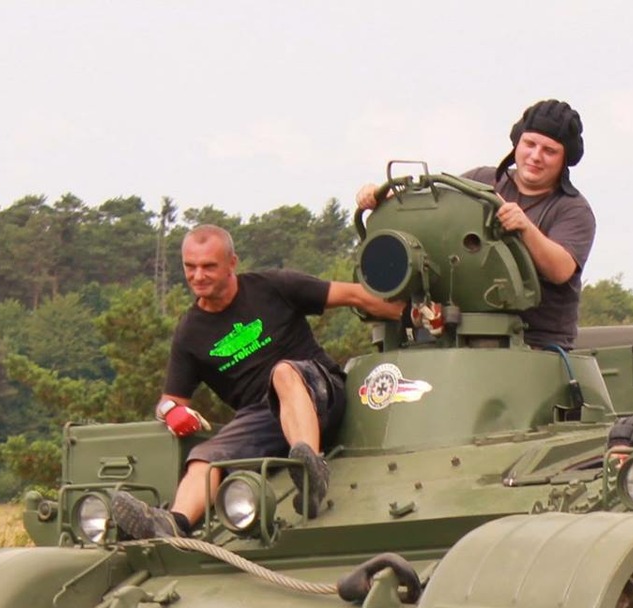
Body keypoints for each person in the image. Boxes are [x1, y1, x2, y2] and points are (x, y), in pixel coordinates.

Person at [109, 225, 405, 540]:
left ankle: (310, 467)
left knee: (282, 373)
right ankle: (173, 524)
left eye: (208, 266)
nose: (198, 276)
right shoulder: (190, 333)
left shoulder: (273, 287)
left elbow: (355, 294)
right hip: (262, 418)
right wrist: (171, 412)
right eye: (190, 267)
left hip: (318, 393)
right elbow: (170, 400)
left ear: (232, 263)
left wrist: (417, 315)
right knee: (205, 457)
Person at [356, 99, 596, 350]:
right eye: (530, 144)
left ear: (564, 159)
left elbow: (561, 270)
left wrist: (526, 228)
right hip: (454, 333)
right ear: (517, 143)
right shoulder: (481, 181)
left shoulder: (572, 209)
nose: (536, 156)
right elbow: (431, 211)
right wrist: (381, 197)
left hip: (534, 343)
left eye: (549, 151)